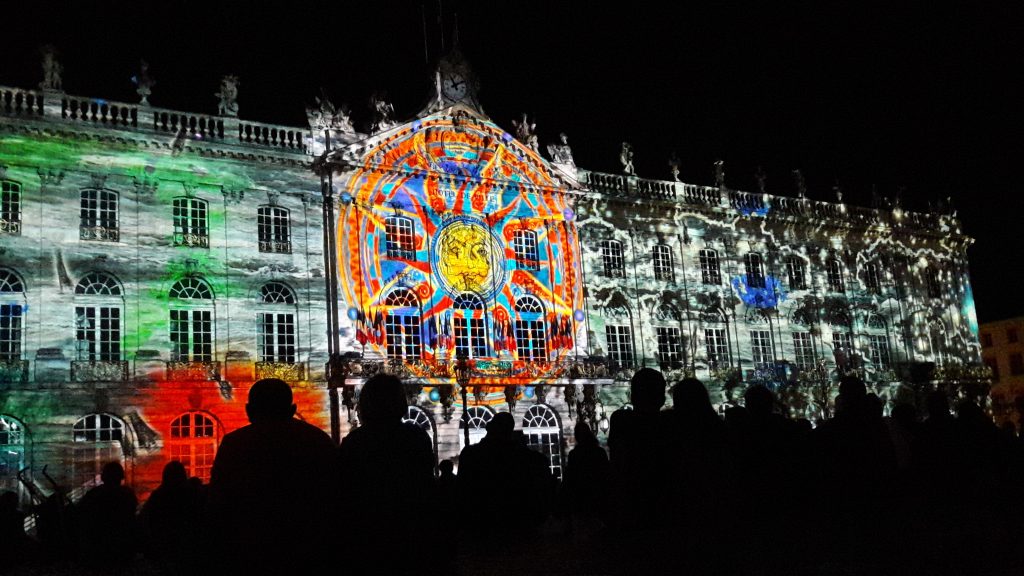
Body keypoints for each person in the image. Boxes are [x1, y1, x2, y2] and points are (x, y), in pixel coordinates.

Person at [208, 378, 337, 574]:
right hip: (308, 549)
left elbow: (219, 503)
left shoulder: (235, 444)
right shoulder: (318, 440)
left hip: (251, 550)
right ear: (292, 409)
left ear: (249, 411)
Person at [338, 373, 435, 575]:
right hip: (410, 533)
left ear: (365, 405)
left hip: (367, 535)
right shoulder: (416, 437)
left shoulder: (355, 442)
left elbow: (345, 494)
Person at [458, 411, 552, 541]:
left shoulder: (471, 455)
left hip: (483, 528)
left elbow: (463, 493)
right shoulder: (526, 457)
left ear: (490, 428)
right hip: (519, 528)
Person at [140, 461, 205, 574]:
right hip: (189, 549)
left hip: (165, 550)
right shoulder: (192, 495)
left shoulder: (159, 496)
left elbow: (145, 519)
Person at [77, 461, 138, 569]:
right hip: (123, 551)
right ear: (120, 477)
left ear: (104, 477)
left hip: (97, 551)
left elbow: (81, 515)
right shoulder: (127, 494)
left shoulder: (94, 495)